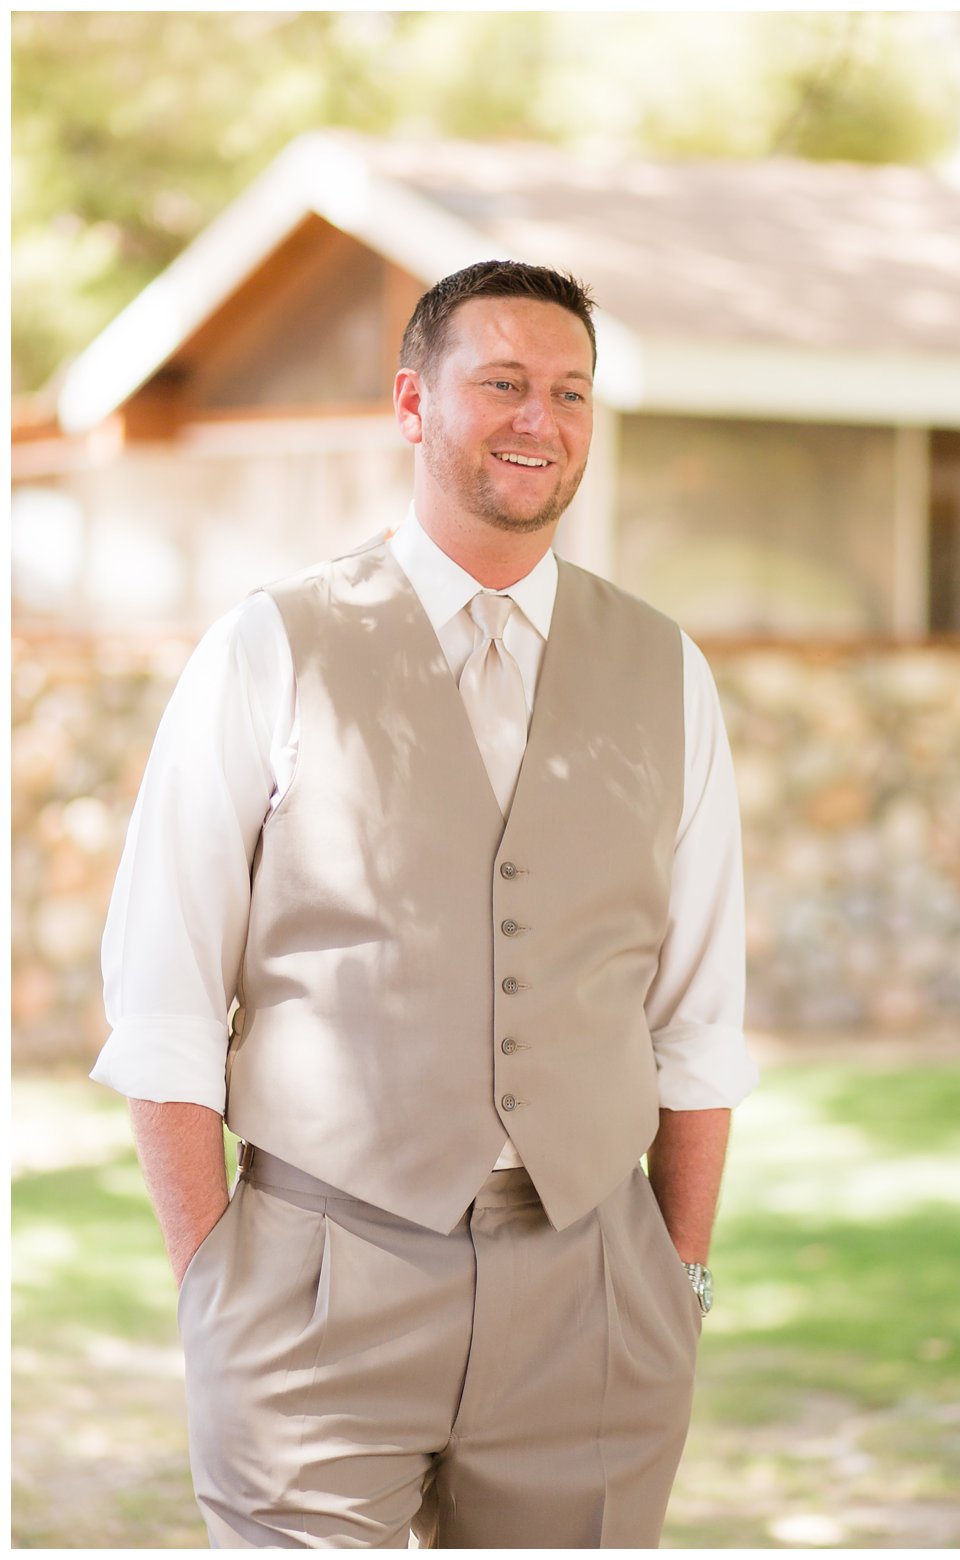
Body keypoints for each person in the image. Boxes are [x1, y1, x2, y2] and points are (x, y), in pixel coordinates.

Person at [92, 259, 754, 1547]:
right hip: (315, 1282)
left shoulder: (665, 671)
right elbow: (164, 999)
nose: (538, 420)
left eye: (569, 392)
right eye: (501, 382)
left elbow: (698, 1016)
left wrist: (674, 1281)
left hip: (594, 1297)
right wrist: (218, 1284)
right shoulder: (272, 646)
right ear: (411, 402)